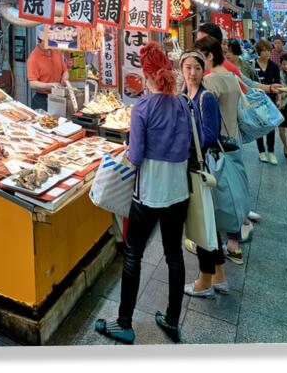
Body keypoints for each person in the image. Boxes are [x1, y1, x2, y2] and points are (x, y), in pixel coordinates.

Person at [95, 43, 190, 344]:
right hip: (179, 191)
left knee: (133, 253)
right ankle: (172, 321)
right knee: (174, 255)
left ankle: (124, 323)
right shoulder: (182, 103)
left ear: (146, 75)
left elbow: (135, 157)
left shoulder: (143, 107)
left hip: (149, 192)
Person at [179, 50, 228, 298]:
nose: (192, 73)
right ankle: (219, 275)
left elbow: (210, 135)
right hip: (191, 165)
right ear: (181, 69)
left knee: (201, 223)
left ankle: (204, 281)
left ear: (203, 70)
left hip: (199, 167)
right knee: (207, 222)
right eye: (188, 67)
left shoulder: (205, 98)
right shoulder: (183, 95)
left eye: (197, 68)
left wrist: (182, 142)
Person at [195, 35, 247, 264]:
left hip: (216, 146)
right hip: (233, 141)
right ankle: (234, 242)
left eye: (199, 57)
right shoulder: (231, 76)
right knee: (233, 191)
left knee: (219, 194)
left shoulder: (210, 81)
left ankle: (211, 239)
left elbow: (204, 118)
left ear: (208, 56)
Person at [252, 39, 282, 164]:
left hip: (270, 100)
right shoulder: (253, 65)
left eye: (269, 50)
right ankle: (261, 151)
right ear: (259, 52)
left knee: (271, 126)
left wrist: (279, 99)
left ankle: (271, 151)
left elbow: (278, 84)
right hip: (256, 100)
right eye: (264, 51)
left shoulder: (274, 66)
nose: (267, 53)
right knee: (259, 125)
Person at [27, 25, 69, 111]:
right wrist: (50, 85)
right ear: (39, 41)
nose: (50, 44)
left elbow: (65, 71)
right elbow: (32, 84)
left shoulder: (56, 50)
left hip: (58, 96)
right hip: (42, 99)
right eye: (47, 42)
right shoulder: (33, 58)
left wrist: (64, 79)